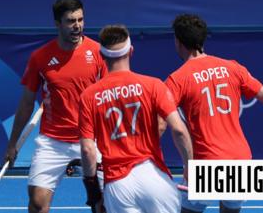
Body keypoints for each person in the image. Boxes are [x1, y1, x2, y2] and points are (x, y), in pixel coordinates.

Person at [165, 14, 263, 213]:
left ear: (178, 41)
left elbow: (162, 123)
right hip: (239, 160)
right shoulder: (232, 67)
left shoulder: (177, 79)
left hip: (206, 163)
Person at [4, 0, 107, 213]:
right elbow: (26, 103)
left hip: (92, 138)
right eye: (71, 21)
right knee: (37, 203)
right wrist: (12, 143)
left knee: (105, 203)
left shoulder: (98, 53)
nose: (77, 26)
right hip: (53, 141)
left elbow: (110, 98)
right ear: (57, 24)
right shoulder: (40, 57)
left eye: (80, 20)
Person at [78, 24, 194, 213]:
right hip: (154, 177)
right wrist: (190, 168)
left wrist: (93, 193)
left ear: (102, 56)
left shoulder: (89, 96)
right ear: (131, 51)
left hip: (117, 185)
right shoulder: (154, 85)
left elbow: (87, 149)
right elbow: (179, 130)